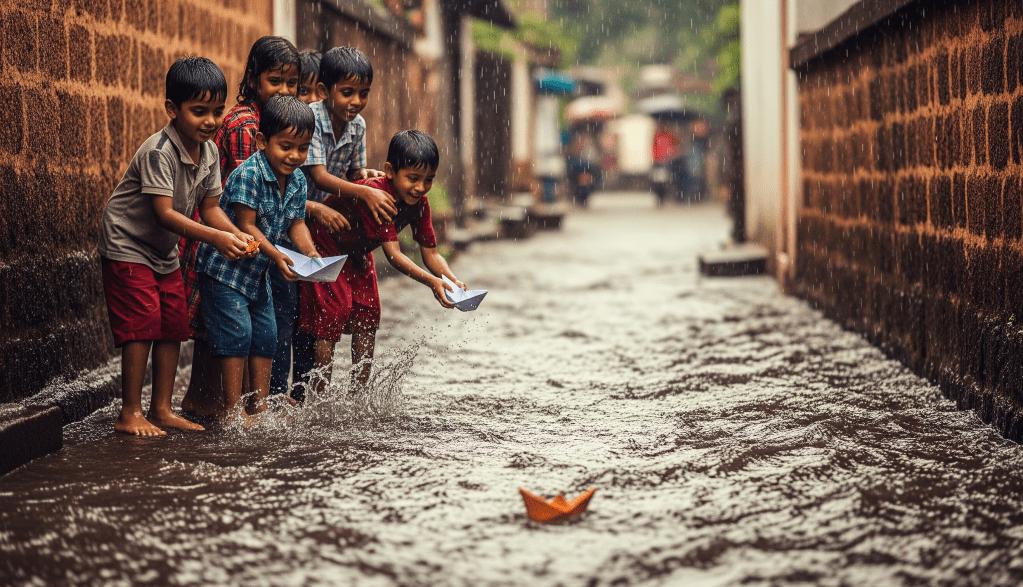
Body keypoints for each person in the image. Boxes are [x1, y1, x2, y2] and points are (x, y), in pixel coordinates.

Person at [97, 57, 252, 436]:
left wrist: (236, 234)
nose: (211, 121)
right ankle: (130, 411)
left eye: (217, 111)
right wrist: (216, 237)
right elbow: (165, 213)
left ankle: (161, 409)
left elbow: (210, 207)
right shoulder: (159, 152)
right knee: (143, 324)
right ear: (172, 109)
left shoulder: (211, 152)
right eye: (199, 112)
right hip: (127, 243)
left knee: (173, 323)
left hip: (163, 251)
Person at [181, 36, 301, 416]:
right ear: (253, 78)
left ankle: (230, 405)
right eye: (275, 80)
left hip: (247, 246)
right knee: (226, 327)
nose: (284, 90)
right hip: (226, 238)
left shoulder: (275, 127)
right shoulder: (246, 127)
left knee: (243, 328)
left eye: (291, 83)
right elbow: (246, 202)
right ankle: (226, 406)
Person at [299, 130, 467, 392]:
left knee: (368, 314)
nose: (421, 187)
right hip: (326, 244)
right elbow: (394, 256)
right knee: (334, 313)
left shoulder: (420, 204)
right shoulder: (380, 196)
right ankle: (318, 395)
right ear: (389, 171)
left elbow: (431, 254)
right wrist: (432, 282)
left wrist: (451, 279)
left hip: (358, 251)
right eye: (413, 178)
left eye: (428, 180)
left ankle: (359, 395)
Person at [193, 96, 320, 425]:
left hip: (256, 274)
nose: (294, 156)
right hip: (225, 271)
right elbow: (246, 225)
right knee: (236, 333)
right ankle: (232, 411)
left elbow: (297, 224)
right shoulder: (249, 174)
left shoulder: (297, 180)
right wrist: (277, 254)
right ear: (262, 141)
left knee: (266, 334)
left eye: (302, 148)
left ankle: (260, 409)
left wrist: (310, 253)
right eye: (286, 146)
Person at [285, 46, 399, 402]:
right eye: (347, 92)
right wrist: (364, 194)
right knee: (310, 315)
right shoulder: (311, 118)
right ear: (323, 91)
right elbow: (318, 175)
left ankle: (342, 396)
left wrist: (365, 179)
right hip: (300, 218)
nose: (356, 101)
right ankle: (309, 396)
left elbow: (351, 174)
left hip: (336, 228)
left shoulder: (358, 125)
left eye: (363, 93)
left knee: (345, 311)